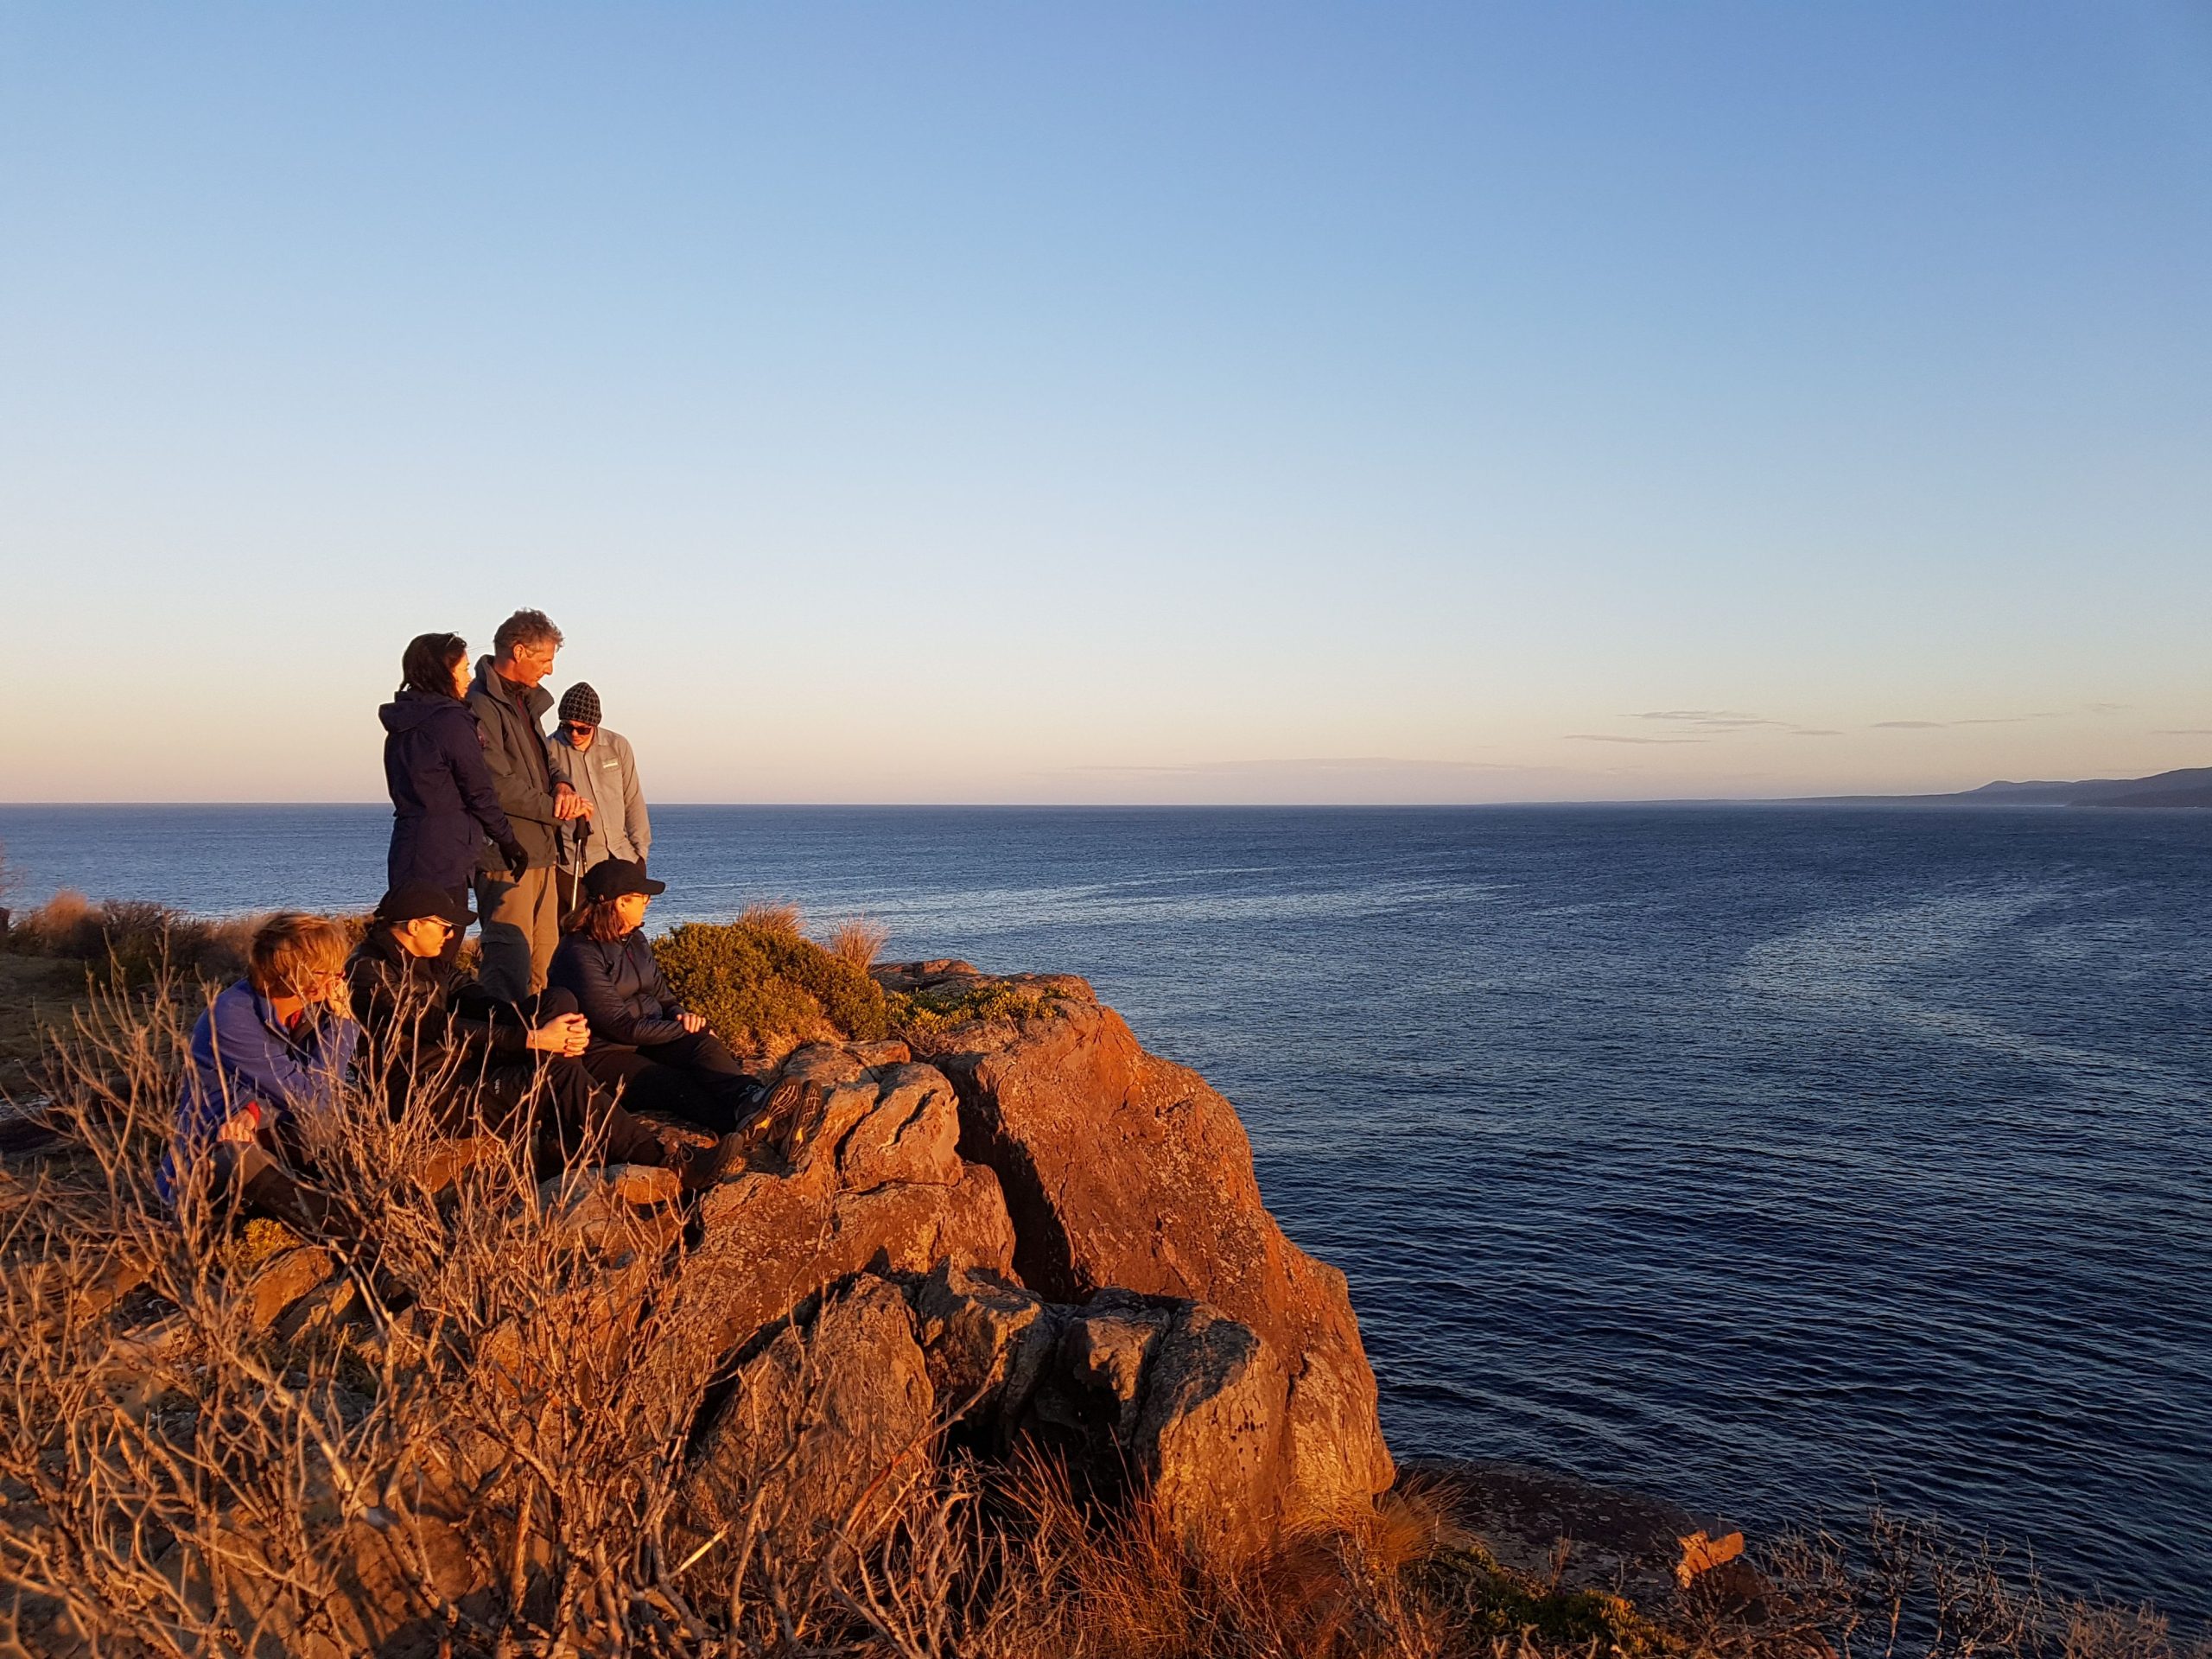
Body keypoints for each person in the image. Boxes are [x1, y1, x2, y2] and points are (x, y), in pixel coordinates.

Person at [345, 881, 730, 1185]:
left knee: (559, 999)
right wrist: (532, 1040)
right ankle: (666, 1160)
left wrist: (548, 1028)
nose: (451, 936)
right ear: (414, 926)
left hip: (463, 1067)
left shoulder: (427, 962)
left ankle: (563, 1126)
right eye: (445, 927)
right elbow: (432, 1026)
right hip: (429, 1092)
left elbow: (481, 1002)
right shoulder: (368, 972)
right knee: (558, 1072)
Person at [156, 913, 361, 1240]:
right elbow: (310, 1097)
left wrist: (255, 1111)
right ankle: (349, 1231)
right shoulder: (232, 1017)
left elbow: (323, 1094)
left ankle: (350, 1213)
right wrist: (343, 1026)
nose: (340, 979)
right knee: (240, 1155)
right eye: (330, 971)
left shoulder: (310, 1010)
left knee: (343, 1123)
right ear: (298, 978)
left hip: (274, 1134)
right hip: (214, 1156)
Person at [548, 860, 759, 1134]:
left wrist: (682, 1016)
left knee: (703, 1046)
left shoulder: (636, 939)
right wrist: (683, 1030)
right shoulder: (579, 954)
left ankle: (754, 1098)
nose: (648, 902)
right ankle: (741, 1127)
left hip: (649, 1037)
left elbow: (664, 998)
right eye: (643, 897)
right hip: (605, 1053)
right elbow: (621, 1027)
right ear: (621, 903)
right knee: (672, 1082)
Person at [468, 609, 592, 1000]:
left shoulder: (524, 701)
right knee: (509, 964)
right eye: (545, 660)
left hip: (541, 850)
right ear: (519, 651)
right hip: (506, 855)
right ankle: (503, 1036)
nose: (550, 670)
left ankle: (542, 1035)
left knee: (545, 962)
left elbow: (546, 761)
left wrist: (564, 785)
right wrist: (556, 808)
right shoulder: (480, 705)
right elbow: (494, 783)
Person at [381, 632, 530, 938]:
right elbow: (478, 790)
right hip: (444, 855)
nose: (468, 678)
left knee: (408, 943)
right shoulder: (450, 722)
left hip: (408, 847)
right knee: (440, 943)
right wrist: (509, 841)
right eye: (463, 669)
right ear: (442, 673)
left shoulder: (402, 722)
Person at [547, 682, 651, 906]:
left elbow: (632, 799)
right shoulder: (548, 750)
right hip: (573, 867)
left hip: (621, 857)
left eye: (582, 729)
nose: (574, 734)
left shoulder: (618, 746)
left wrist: (640, 854)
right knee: (575, 925)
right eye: (567, 727)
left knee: (622, 925)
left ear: (595, 724)